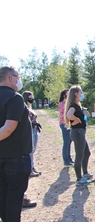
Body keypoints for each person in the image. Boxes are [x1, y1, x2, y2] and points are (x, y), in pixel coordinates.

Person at [0, 66, 33, 221]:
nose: (19, 80)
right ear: (10, 78)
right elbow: (8, 129)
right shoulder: (15, 97)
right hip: (16, 157)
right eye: (17, 77)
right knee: (14, 198)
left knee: (2, 195)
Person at [64, 85, 93, 185]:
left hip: (81, 132)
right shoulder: (73, 106)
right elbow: (68, 115)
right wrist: (76, 119)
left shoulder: (78, 106)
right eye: (81, 92)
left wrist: (84, 113)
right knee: (79, 156)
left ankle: (85, 174)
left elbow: (87, 116)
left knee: (87, 153)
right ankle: (79, 179)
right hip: (77, 133)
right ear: (76, 93)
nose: (82, 94)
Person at [22, 91, 42, 177]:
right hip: (30, 131)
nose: (32, 98)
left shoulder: (30, 107)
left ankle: (32, 167)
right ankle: (30, 169)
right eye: (30, 97)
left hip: (34, 130)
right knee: (30, 150)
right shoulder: (24, 107)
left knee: (33, 150)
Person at [59, 89, 74, 166]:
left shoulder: (69, 103)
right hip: (64, 124)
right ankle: (66, 160)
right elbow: (63, 115)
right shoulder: (62, 104)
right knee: (66, 142)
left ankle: (69, 158)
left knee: (69, 142)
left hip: (69, 124)